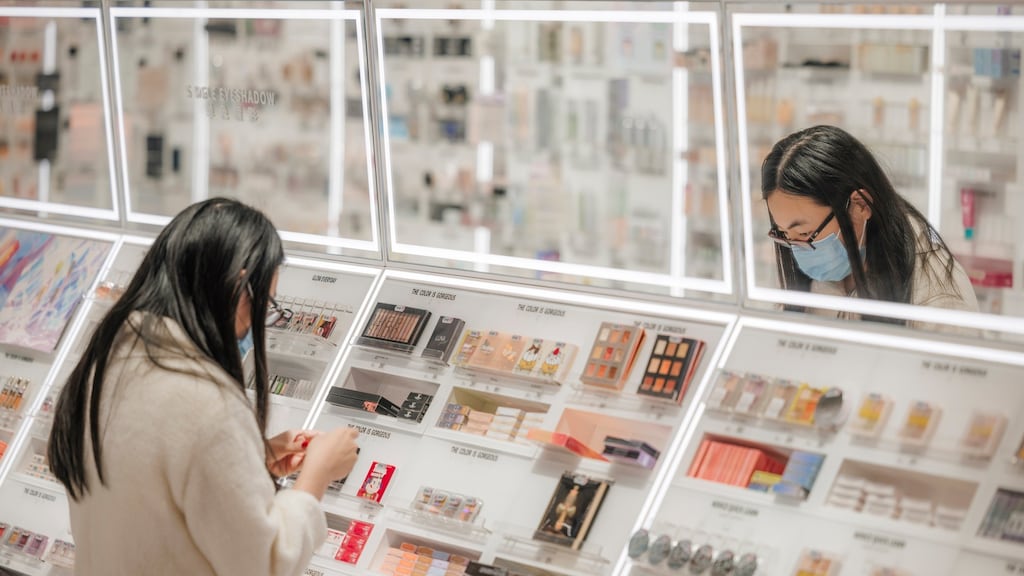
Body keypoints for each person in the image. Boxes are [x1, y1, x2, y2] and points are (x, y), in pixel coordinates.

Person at [47, 197, 360, 576]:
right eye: (267, 304)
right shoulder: (206, 400)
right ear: (238, 289)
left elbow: (152, 487)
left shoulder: (109, 362)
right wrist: (318, 476)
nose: (260, 322)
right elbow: (265, 564)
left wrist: (251, 461)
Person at [760, 125, 978, 325]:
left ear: (860, 205)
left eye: (805, 233)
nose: (798, 249)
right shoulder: (820, 277)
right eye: (784, 235)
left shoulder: (938, 298)